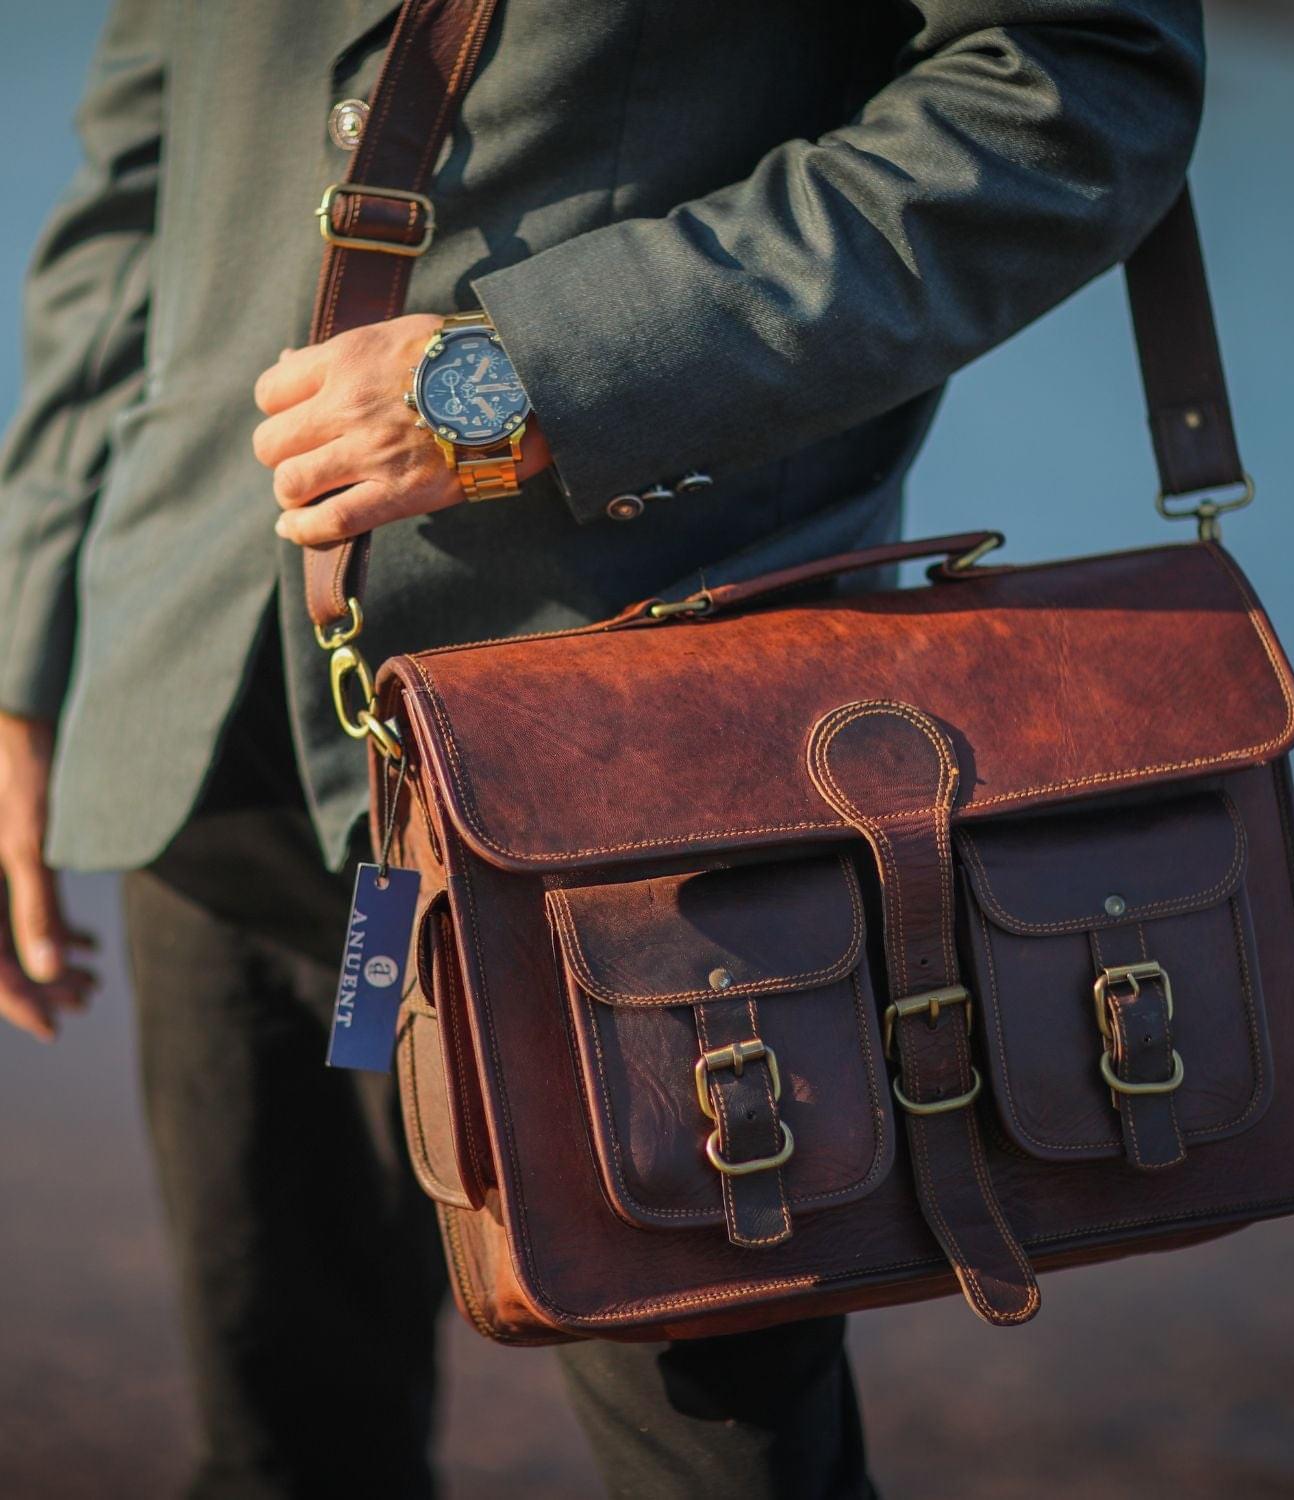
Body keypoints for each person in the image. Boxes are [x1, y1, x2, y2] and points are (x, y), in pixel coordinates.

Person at [0, 2, 1206, 1495]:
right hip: (210, 715)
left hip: (634, 768)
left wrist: (528, 376)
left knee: (712, 1461)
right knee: (277, 1445)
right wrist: (29, 644)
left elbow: (1074, 88)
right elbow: (136, 167)